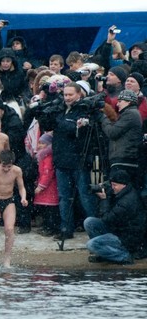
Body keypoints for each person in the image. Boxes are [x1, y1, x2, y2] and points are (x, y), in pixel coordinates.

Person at [47, 83, 98, 240]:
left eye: (70, 95)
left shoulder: (84, 109)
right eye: (65, 95)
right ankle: (66, 229)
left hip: (78, 160)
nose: (67, 98)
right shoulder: (60, 109)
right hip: (61, 159)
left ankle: (94, 229)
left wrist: (61, 124)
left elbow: (75, 130)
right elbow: (48, 124)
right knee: (64, 197)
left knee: (85, 196)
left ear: (79, 94)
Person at [85, 170, 145, 265]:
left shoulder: (127, 201)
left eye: (114, 185)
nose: (112, 188)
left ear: (123, 185)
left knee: (91, 244)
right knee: (89, 222)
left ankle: (123, 256)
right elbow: (101, 216)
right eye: (111, 184)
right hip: (119, 230)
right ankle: (106, 253)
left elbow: (106, 219)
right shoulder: (121, 192)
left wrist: (104, 200)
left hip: (128, 237)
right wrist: (104, 196)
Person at [0, 150, 28, 267]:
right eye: (3, 166)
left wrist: (23, 198)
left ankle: (7, 259)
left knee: (9, 229)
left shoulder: (17, 171)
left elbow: (21, 187)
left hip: (9, 201)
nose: (6, 169)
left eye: (9, 166)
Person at [98, 90, 142, 187]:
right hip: (124, 159)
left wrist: (102, 118)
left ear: (128, 101)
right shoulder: (130, 114)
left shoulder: (131, 114)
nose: (117, 104)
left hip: (124, 160)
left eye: (120, 101)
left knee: (120, 189)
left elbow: (112, 133)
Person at [34, 133, 60, 237]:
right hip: (46, 188)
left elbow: (47, 173)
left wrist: (41, 185)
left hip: (49, 188)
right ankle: (47, 226)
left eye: (42, 143)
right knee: (46, 209)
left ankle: (50, 227)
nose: (39, 145)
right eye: (39, 142)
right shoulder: (43, 155)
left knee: (50, 210)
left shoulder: (48, 157)